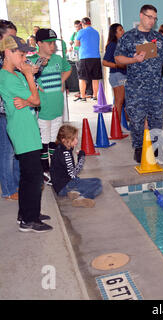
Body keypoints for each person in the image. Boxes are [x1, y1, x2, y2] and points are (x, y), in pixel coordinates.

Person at [0, 35, 52, 233]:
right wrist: (30, 77)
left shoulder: (17, 75)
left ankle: (26, 213)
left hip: (28, 127)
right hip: (21, 130)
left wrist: (28, 97)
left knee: (28, 175)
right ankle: (29, 221)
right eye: (21, 54)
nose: (24, 59)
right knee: (34, 176)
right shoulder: (5, 77)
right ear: (8, 53)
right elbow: (36, 99)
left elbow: (34, 98)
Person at [114, 4, 163, 164]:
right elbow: (118, 58)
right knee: (137, 121)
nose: (152, 21)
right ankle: (139, 149)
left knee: (157, 120)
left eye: (154, 18)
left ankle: (157, 149)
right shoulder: (128, 37)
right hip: (135, 89)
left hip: (156, 88)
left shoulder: (159, 38)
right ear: (141, 15)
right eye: (149, 17)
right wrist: (134, 59)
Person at [29, 28, 71, 185]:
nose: (52, 46)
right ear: (39, 43)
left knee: (54, 140)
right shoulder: (32, 61)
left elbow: (68, 69)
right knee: (43, 141)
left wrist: (61, 81)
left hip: (57, 107)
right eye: (48, 43)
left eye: (54, 42)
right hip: (42, 110)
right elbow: (27, 78)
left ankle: (54, 169)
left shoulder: (58, 59)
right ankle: (45, 170)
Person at [50, 124, 102, 208]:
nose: (76, 141)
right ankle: (82, 198)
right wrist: (81, 157)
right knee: (98, 184)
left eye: (76, 138)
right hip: (64, 185)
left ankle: (74, 193)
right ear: (64, 140)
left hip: (61, 184)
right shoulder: (65, 154)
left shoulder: (61, 148)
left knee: (95, 180)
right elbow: (73, 174)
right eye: (73, 139)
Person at [0, 20, 19, 201]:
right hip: (2, 112)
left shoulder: (8, 57)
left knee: (15, 150)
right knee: (7, 152)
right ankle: (8, 189)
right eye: (9, 37)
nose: (13, 41)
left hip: (12, 110)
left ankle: (18, 184)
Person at [102, 23, 127, 123]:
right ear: (115, 33)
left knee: (120, 101)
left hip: (122, 74)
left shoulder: (122, 44)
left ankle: (119, 125)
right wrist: (118, 65)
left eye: (122, 29)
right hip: (117, 74)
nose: (123, 31)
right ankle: (117, 126)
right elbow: (104, 62)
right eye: (120, 30)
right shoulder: (112, 45)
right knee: (119, 101)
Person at [75, 17, 102, 102]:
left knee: (82, 78)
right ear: (90, 23)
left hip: (84, 58)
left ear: (82, 24)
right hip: (96, 57)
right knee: (95, 78)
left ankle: (83, 96)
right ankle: (94, 96)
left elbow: (77, 44)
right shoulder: (96, 32)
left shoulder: (80, 32)